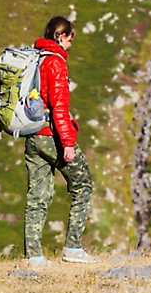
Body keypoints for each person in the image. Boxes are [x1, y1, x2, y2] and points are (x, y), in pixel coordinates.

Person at [21, 15, 100, 267]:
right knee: (83, 186)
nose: (70, 44)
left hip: (32, 135)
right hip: (52, 136)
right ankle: (73, 248)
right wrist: (67, 143)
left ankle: (33, 256)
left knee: (37, 197)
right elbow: (59, 107)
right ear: (60, 36)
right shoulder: (56, 63)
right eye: (69, 38)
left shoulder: (37, 58)